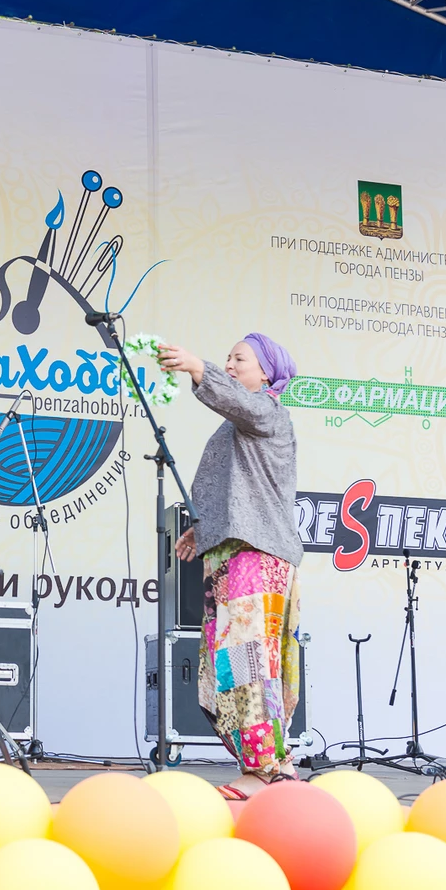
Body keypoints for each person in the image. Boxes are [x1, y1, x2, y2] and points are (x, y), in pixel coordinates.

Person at [158, 333, 301, 800]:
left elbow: (240, 403)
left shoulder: (269, 413)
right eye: (228, 359)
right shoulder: (239, 423)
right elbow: (237, 491)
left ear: (266, 374)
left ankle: (263, 771)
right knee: (231, 664)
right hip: (233, 553)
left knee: (247, 661)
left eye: (240, 359)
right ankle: (271, 764)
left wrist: (198, 367)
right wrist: (202, 530)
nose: (231, 364)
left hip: (256, 555)